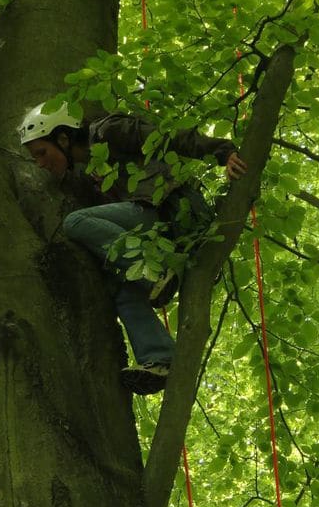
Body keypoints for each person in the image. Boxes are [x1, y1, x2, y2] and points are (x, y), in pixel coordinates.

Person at [20, 102, 247, 394]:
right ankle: (159, 357)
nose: (40, 163)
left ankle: (153, 272)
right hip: (153, 233)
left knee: (75, 222)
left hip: (167, 213)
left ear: (62, 138)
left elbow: (167, 138)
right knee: (123, 290)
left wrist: (223, 152)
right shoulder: (86, 176)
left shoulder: (107, 132)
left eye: (41, 152)